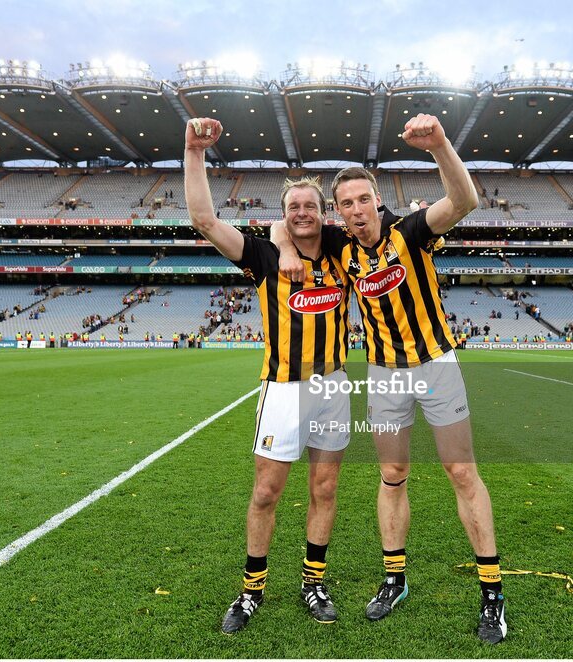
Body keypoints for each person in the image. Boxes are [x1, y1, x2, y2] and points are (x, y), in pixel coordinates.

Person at [272, 114, 506, 644]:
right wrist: (286, 247)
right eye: (346, 204)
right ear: (339, 212)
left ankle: (492, 593)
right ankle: (394, 578)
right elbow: (283, 223)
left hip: (436, 365)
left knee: (461, 473)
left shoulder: (411, 231)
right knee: (393, 474)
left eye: (364, 200)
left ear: (378, 200)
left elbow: (465, 200)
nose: (357, 211)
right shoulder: (339, 247)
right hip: (383, 375)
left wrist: (440, 145)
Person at [185, 117, 352, 635]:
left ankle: (313, 581)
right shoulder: (262, 255)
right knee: (266, 492)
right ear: (282, 216)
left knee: (324, 488)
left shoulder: (344, 251)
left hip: (333, 385)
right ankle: (252, 588)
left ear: (323, 214)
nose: (302, 213)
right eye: (292, 209)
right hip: (282, 389)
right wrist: (194, 153)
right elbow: (205, 220)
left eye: (310, 206)